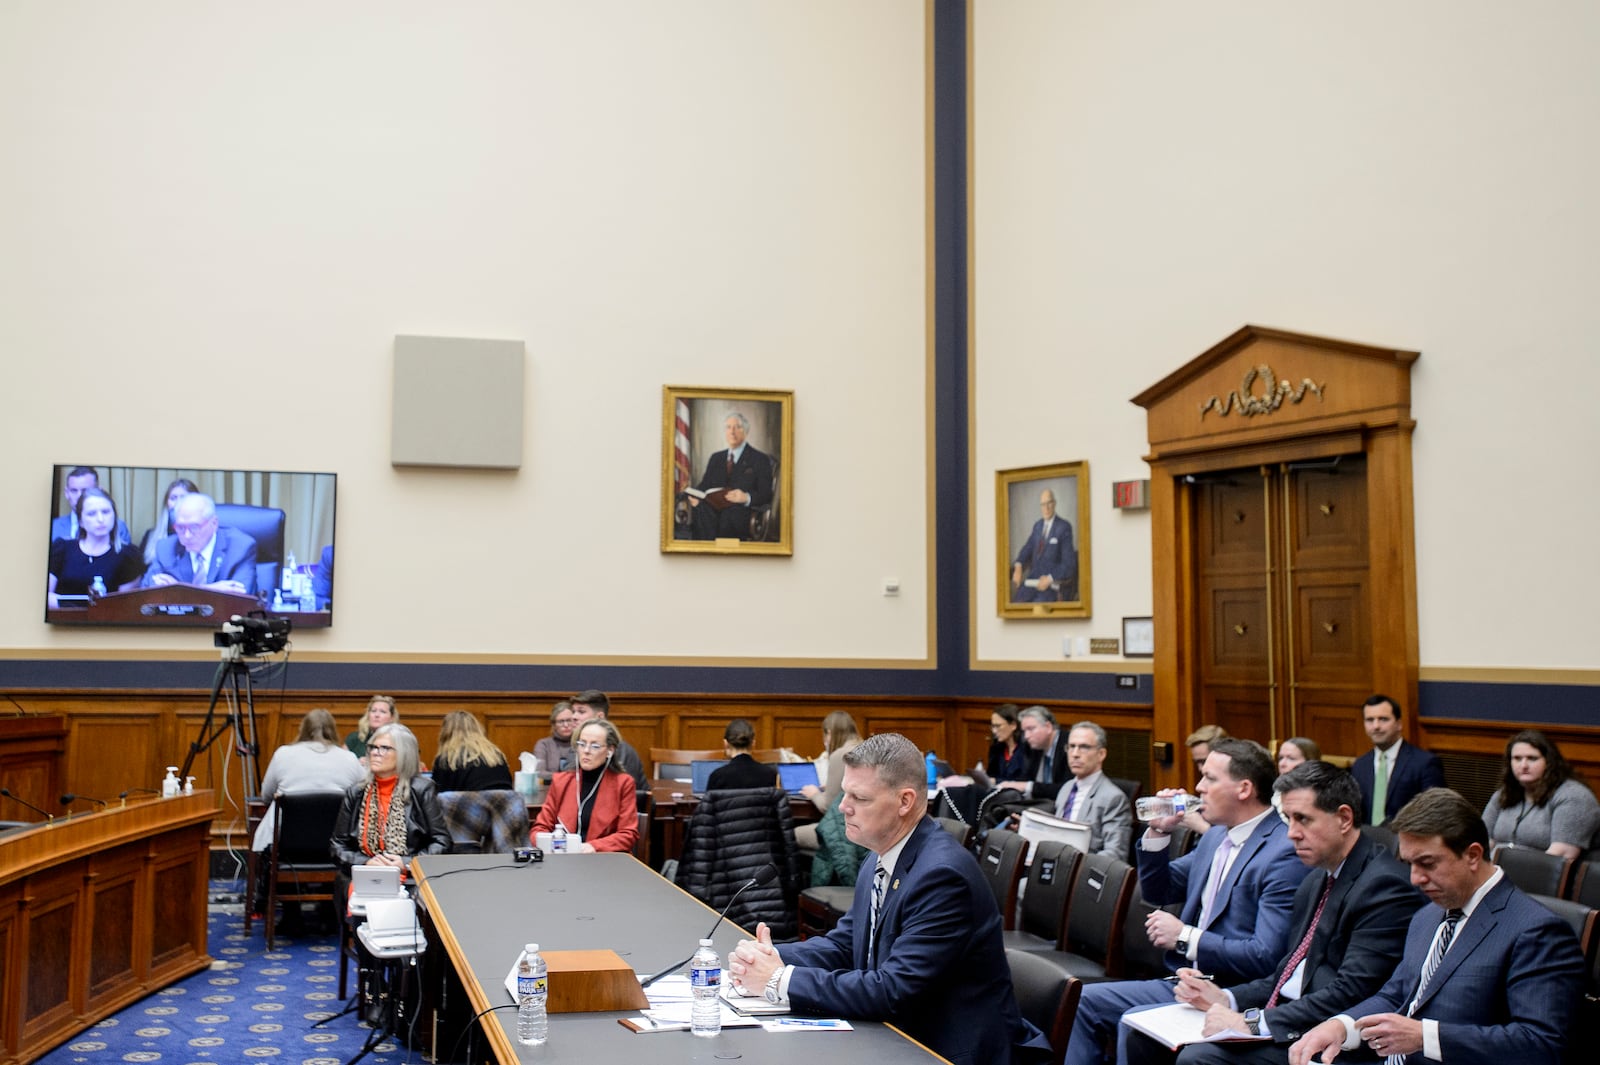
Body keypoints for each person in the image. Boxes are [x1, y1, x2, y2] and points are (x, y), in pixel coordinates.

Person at [727, 733, 1050, 1065]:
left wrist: (780, 979)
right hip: (899, 1033)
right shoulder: (882, 854)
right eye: (844, 793)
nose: (842, 806)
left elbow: (893, 990)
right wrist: (772, 956)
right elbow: (846, 945)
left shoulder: (942, 876)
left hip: (944, 1050)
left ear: (905, 801)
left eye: (859, 797)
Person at [1124, 761, 1425, 1065]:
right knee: (1144, 1037)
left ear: (1344, 818)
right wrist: (1226, 998)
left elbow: (1352, 991)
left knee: (1200, 1058)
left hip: (1333, 1039)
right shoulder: (1316, 877)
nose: (1292, 833)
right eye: (1288, 819)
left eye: (1303, 820)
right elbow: (1287, 972)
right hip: (1291, 1017)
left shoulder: (1384, 886)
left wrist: (1253, 1022)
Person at [1286, 788, 1585, 1065]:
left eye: (1428, 863)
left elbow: (1542, 1044)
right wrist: (1341, 1025)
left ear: (1472, 855)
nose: (1415, 879)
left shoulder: (1537, 931)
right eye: (1409, 864)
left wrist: (1425, 1037)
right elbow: (1395, 995)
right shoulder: (1427, 915)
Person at [1065, 739, 1309, 1065]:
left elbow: (1265, 955)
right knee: (1081, 1000)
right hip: (1184, 983)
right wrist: (1158, 834)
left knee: (1134, 1023)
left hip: (1230, 994)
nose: (1198, 787)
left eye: (1209, 778)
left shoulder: (1282, 852)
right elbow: (1159, 891)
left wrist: (1185, 937)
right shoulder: (1216, 836)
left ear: (1244, 788)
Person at [250, 709, 364, 920]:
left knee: (270, 847)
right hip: (336, 846)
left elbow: (266, 796)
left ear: (303, 729)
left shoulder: (283, 754)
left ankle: (291, 915)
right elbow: (363, 796)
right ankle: (329, 913)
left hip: (287, 845)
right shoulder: (349, 759)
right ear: (333, 730)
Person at [329, 722, 451, 880]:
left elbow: (442, 842)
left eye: (384, 748)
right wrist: (366, 863)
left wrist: (407, 863)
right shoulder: (356, 792)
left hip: (409, 878)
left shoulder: (422, 790)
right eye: (373, 747)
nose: (375, 753)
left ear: (404, 754)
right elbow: (337, 846)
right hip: (364, 875)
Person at [1481, 729, 1600, 859]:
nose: (1523, 765)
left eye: (1532, 758)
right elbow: (1482, 841)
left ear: (1549, 762)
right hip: (1496, 872)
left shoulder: (1574, 796)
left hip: (1540, 875)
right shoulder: (1503, 794)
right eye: (1517, 758)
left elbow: (1561, 856)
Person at [529, 718, 639, 853]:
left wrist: (594, 846)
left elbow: (628, 834)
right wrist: (553, 844)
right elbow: (539, 829)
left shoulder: (623, 783)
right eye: (582, 744)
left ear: (610, 750)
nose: (586, 751)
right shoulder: (561, 781)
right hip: (563, 859)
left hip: (604, 861)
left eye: (595, 746)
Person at [1351, 694, 1444, 826]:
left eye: (1383, 719)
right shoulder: (1360, 765)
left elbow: (1436, 814)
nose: (1376, 726)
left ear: (1399, 724)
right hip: (1368, 841)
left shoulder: (1425, 763)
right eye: (1370, 720)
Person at [142, 492, 258, 595]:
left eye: (194, 527)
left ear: (214, 523)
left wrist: (177, 590)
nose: (187, 535)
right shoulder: (166, 548)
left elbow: (241, 596)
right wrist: (213, 590)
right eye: (180, 527)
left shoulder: (240, 547)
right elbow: (146, 589)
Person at [1049, 721, 1135, 860]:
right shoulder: (1066, 788)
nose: (1075, 754)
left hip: (1083, 872)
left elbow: (1116, 854)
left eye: (1084, 747)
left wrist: (1075, 863)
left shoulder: (1113, 798)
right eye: (1071, 746)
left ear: (1101, 754)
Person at [46, 488, 144, 608]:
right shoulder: (62, 548)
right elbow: (46, 597)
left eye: (105, 512)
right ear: (81, 521)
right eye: (92, 514)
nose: (100, 519)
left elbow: (124, 606)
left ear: (114, 516)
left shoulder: (128, 555)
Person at [685, 411, 775, 541]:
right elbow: (704, 485)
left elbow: (766, 494)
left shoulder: (759, 459)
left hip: (741, 513)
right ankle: (705, 554)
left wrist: (746, 497)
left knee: (727, 516)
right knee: (701, 509)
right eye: (728, 427)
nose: (732, 431)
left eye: (737, 427)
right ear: (725, 432)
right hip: (712, 511)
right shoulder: (716, 458)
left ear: (746, 431)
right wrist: (695, 496)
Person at [795, 710, 862, 855]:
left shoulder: (840, 755)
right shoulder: (865, 748)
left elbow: (828, 806)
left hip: (843, 831)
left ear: (830, 733)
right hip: (865, 826)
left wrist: (814, 794)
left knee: (791, 834)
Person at [568, 690, 649, 797]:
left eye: (581, 712)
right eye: (573, 711)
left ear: (600, 717)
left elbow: (623, 794)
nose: (574, 717)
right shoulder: (575, 746)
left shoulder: (620, 751)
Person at [1011, 487, 1077, 602]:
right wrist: (1018, 565)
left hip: (1052, 586)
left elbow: (1069, 565)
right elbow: (1027, 548)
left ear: (1054, 503)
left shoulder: (1064, 527)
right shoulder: (1038, 526)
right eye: (1043, 504)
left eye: (1049, 503)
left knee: (1038, 610)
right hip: (1033, 582)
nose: (1046, 508)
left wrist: (1050, 579)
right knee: (1017, 603)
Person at [430, 710, 515, 792]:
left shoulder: (446, 759)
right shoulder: (496, 755)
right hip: (504, 805)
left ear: (445, 733)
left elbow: (438, 798)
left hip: (467, 806)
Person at [49, 466, 130, 543]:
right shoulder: (53, 527)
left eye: (85, 490)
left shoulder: (117, 527)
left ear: (98, 491)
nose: (79, 496)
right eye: (74, 491)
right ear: (66, 493)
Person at [706, 718, 779, 790]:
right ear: (753, 744)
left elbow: (709, 800)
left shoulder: (717, 776)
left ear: (726, 744)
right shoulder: (770, 774)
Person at [138, 477, 199, 562]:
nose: (178, 502)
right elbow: (142, 571)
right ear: (166, 504)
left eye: (183, 497)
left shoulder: (203, 534)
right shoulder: (150, 535)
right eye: (173, 498)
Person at [982, 702, 1036, 783]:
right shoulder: (996, 747)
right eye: (992, 726)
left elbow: (1024, 780)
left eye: (998, 726)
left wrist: (996, 781)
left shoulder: (1027, 748)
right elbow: (991, 774)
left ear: (1013, 725)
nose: (994, 731)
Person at [532, 700, 577, 782]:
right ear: (554, 725)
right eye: (561, 721)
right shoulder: (544, 744)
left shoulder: (581, 744)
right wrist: (568, 777)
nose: (566, 725)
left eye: (569, 720)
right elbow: (539, 773)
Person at [345, 694, 398, 760]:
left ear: (391, 718)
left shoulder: (397, 740)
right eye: (373, 711)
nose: (377, 715)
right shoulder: (354, 738)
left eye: (382, 712)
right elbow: (342, 763)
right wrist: (357, 763)